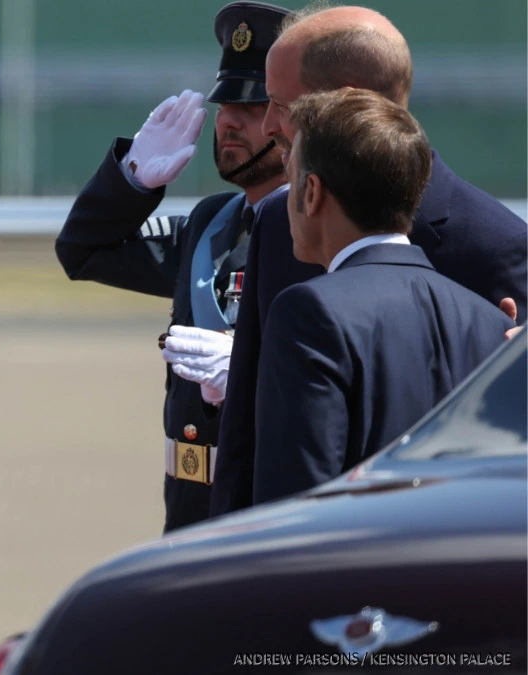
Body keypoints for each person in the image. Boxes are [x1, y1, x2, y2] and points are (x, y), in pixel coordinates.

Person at [210, 5, 528, 516]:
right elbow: (243, 444)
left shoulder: (496, 244)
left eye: (282, 105)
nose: (268, 125)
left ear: (347, 101)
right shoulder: (275, 219)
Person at [55, 1, 290, 531]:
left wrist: (251, 369)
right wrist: (132, 180)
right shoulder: (211, 223)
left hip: (269, 508)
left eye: (254, 106)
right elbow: (82, 250)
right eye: (225, 104)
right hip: (190, 510)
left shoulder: (323, 235)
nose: (229, 120)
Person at [254, 88, 512, 502]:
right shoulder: (492, 323)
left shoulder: (309, 312)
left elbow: (295, 506)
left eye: (291, 179)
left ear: (311, 192)